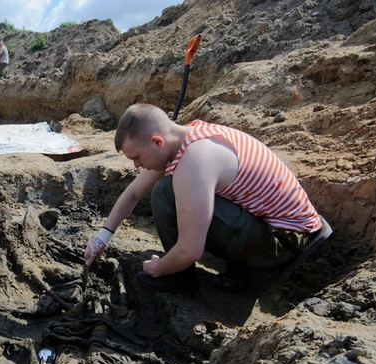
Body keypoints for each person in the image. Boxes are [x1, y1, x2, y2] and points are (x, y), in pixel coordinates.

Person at [84, 103, 331, 296]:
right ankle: (238, 263)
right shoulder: (189, 137)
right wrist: (102, 236)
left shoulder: (196, 160)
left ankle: (180, 279)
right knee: (169, 188)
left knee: (166, 191)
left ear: (157, 141)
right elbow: (133, 193)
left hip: (286, 242)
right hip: (281, 226)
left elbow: (191, 250)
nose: (136, 165)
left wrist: (159, 268)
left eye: (136, 157)